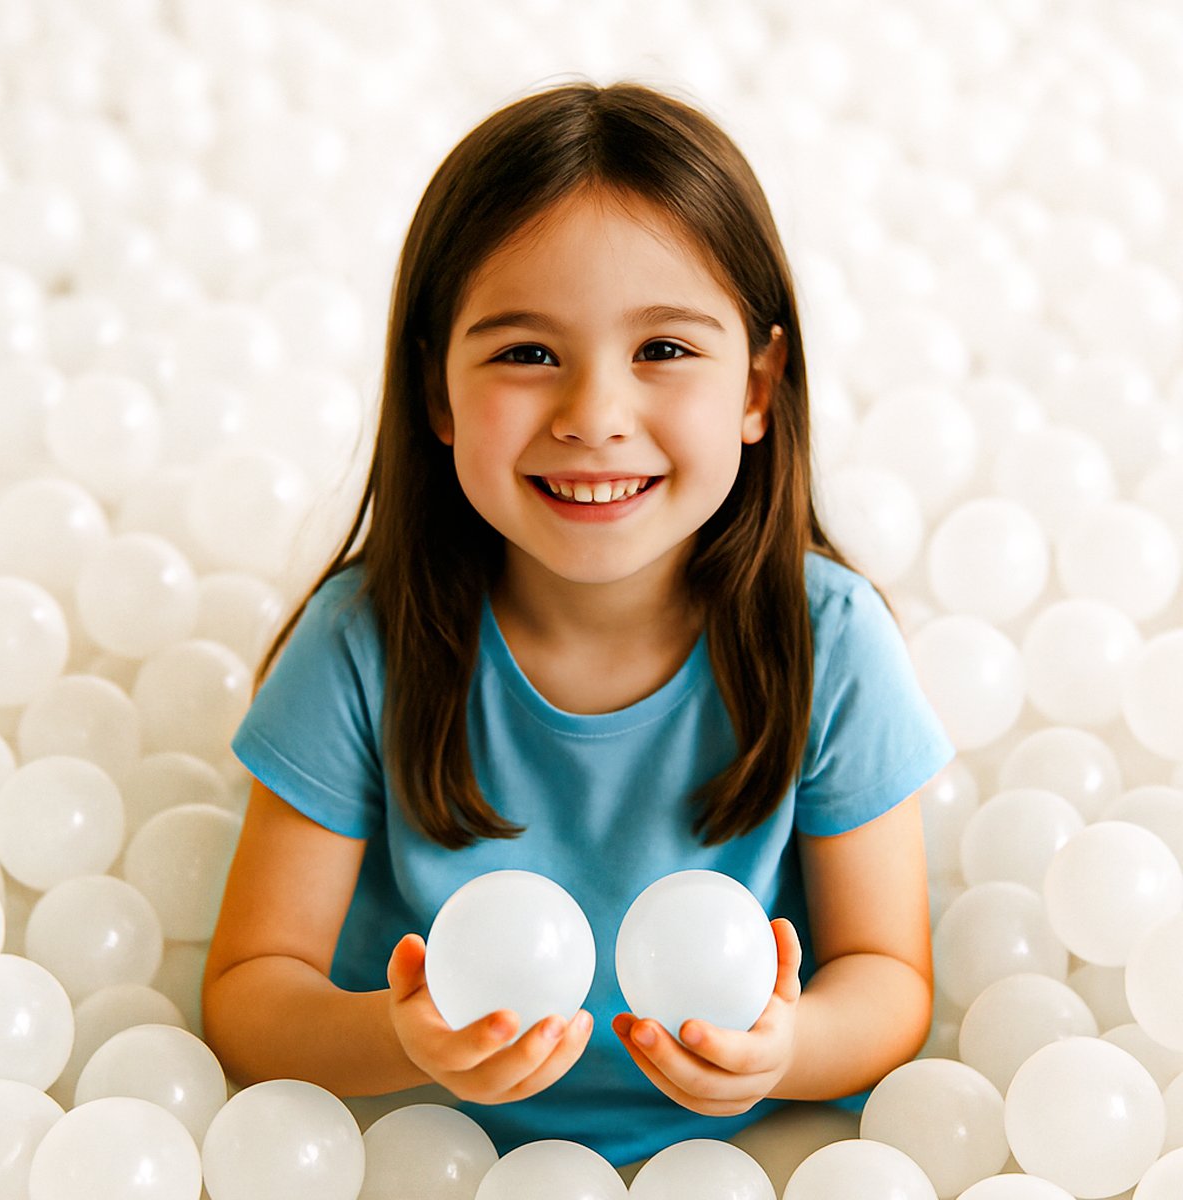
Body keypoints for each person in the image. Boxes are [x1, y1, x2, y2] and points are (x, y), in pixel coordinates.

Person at [202, 78, 956, 1172]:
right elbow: (249, 994)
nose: (595, 417)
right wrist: (402, 1038)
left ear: (759, 386)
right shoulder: (367, 638)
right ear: (436, 392)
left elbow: (888, 979)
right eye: (526, 353)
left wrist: (787, 1051)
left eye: (663, 351)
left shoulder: (826, 640)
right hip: (434, 1154)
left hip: (738, 1162)